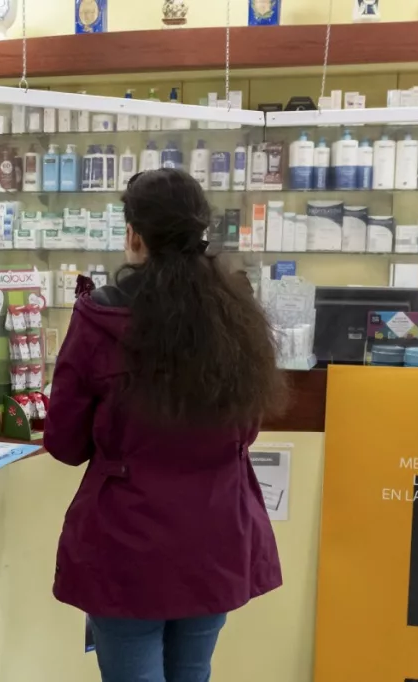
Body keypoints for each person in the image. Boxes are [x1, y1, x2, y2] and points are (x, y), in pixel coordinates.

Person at [44, 168, 288, 682]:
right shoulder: (236, 315)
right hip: (216, 533)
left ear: (134, 235)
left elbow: (64, 443)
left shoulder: (100, 320)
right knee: (192, 673)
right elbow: (245, 429)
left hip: (129, 543)